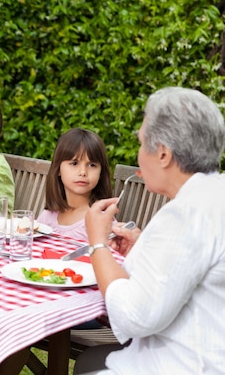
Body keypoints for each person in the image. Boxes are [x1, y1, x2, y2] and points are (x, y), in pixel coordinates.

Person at [75, 87, 225, 374]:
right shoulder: (215, 195)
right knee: (88, 363)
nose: (139, 153)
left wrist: (97, 243)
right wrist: (143, 247)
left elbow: (136, 316)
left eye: (143, 143)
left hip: (185, 365)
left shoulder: (186, 213)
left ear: (164, 155)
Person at [37, 128, 112, 242]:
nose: (83, 172)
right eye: (74, 163)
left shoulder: (100, 220)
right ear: (58, 169)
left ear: (101, 172)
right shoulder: (47, 217)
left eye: (92, 165)